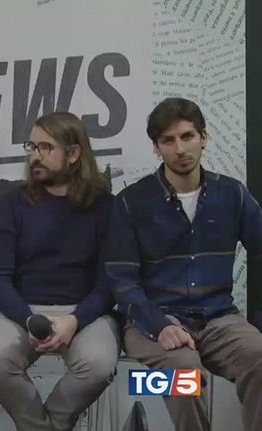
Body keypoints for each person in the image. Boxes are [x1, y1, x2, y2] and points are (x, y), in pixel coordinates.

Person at [106, 97, 262, 431]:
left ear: (204, 137)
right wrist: (160, 325)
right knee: (185, 376)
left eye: (187, 136)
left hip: (219, 318)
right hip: (152, 321)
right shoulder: (131, 203)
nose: (180, 149)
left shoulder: (232, 194)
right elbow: (122, 281)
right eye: (168, 140)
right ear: (156, 148)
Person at [0, 112, 118, 431]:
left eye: (45, 147)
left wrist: (75, 320)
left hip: (83, 312)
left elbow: (109, 282)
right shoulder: (11, 203)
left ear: (73, 154)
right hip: (22, 311)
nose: (35, 155)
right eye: (32, 147)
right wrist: (29, 319)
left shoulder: (105, 206)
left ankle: (50, 424)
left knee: (99, 365)